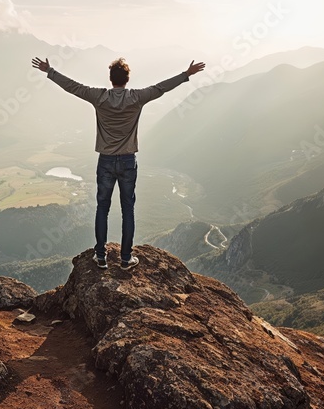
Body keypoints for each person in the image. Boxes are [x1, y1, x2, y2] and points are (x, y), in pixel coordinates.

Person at [31, 56, 205, 270]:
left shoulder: (99, 97)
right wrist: (186, 74)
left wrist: (50, 71)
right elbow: (161, 88)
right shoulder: (137, 97)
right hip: (128, 161)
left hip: (105, 161)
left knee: (102, 208)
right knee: (128, 209)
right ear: (127, 79)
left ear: (110, 78)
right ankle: (125, 258)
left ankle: (101, 256)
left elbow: (73, 87)